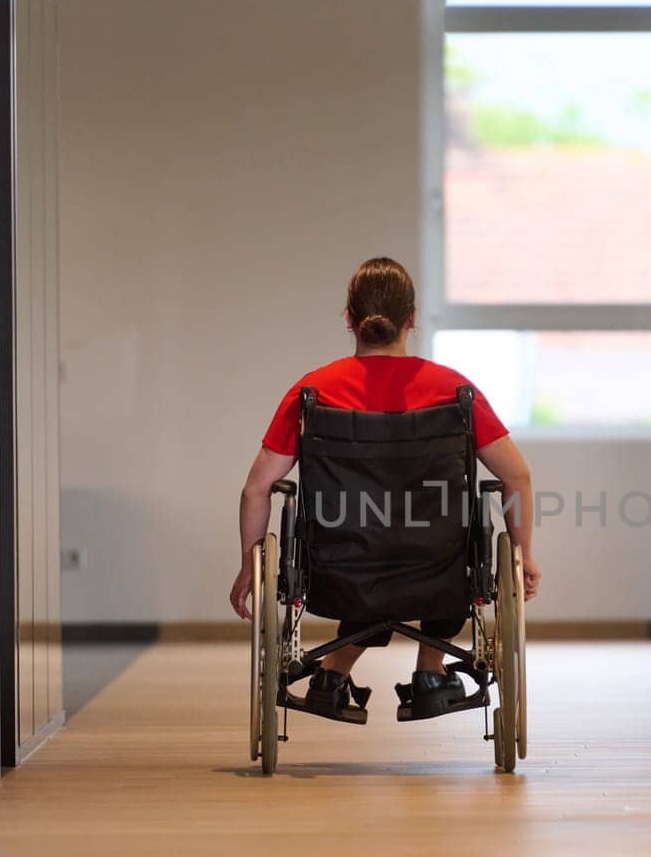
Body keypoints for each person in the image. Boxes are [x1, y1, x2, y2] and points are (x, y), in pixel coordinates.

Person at [230, 257, 539, 720]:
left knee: (372, 553)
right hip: (441, 569)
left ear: (349, 319)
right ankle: (430, 671)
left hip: (339, 568)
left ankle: (332, 673)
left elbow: (258, 488)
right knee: (440, 541)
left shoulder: (314, 392)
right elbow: (517, 477)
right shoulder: (454, 391)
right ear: (411, 320)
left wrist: (248, 567)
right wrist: (524, 554)